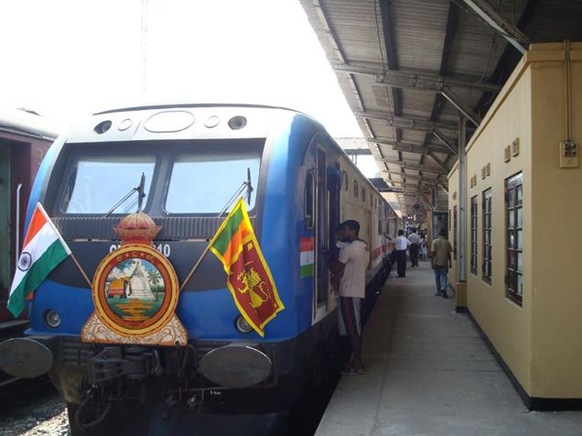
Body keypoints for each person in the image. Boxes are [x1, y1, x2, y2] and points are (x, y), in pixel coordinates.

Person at [326, 220, 369, 375]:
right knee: (353, 329)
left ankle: (358, 364)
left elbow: (336, 267)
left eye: (344, 231)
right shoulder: (363, 246)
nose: (341, 234)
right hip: (356, 291)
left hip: (349, 293)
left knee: (352, 330)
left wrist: (326, 257)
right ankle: (355, 361)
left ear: (353, 231)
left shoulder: (349, 249)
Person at [431, 228, 453, 298]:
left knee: (437, 277)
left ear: (439, 234)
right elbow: (449, 253)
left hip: (436, 261)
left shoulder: (435, 242)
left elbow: (433, 253)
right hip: (444, 262)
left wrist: (432, 262)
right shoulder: (447, 242)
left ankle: (438, 291)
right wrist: (450, 262)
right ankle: (444, 288)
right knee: (444, 276)